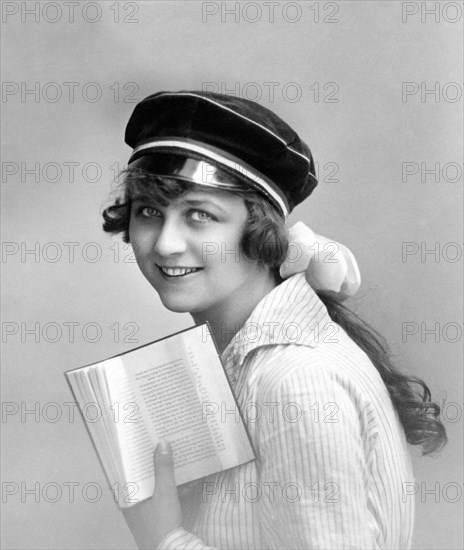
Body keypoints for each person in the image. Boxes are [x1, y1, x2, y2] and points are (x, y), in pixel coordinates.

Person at [102, 91, 447, 549]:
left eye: (200, 215)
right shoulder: (236, 358)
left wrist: (165, 537)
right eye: (149, 212)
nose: (165, 244)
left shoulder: (295, 381)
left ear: (260, 234)